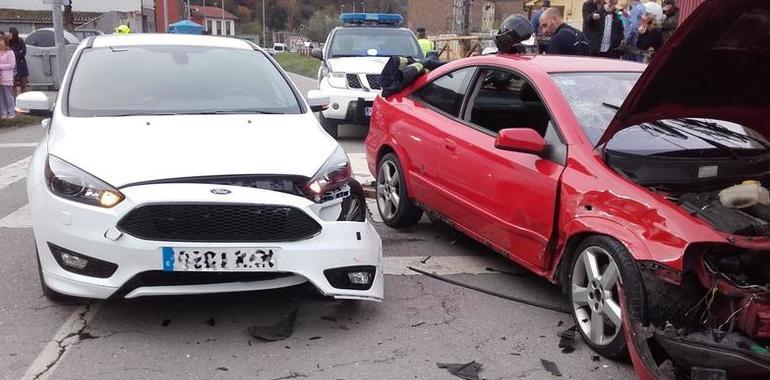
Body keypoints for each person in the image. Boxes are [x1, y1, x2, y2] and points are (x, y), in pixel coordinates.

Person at [0, 35, 17, 119]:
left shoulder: (10, 52)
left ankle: (11, 112)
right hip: (0, 77)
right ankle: (4, 112)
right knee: (1, 95)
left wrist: (1, 66)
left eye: (1, 41)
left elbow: (12, 65)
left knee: (8, 94)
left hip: (7, 76)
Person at [7, 28, 28, 96]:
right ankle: (14, 102)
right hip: (11, 67)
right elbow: (7, 52)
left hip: (21, 65)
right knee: (13, 86)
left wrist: (13, 54)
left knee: (23, 85)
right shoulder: (7, 42)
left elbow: (23, 52)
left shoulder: (20, 40)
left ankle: (23, 100)